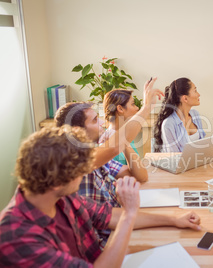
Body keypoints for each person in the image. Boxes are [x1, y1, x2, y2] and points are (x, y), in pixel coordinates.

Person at [0, 126, 201, 267]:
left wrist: (175, 220)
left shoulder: (61, 198)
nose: (86, 174)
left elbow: (110, 216)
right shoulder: (15, 236)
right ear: (59, 183)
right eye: (82, 172)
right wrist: (130, 213)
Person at [54, 78, 157, 246]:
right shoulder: (73, 160)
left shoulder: (95, 152)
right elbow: (113, 149)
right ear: (77, 131)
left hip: (119, 223)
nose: (102, 122)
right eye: (95, 120)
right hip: (105, 242)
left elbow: (140, 175)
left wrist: (125, 145)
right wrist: (147, 107)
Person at [100, 89, 147, 182]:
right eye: (133, 104)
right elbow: (138, 176)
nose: (137, 108)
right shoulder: (107, 142)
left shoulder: (125, 135)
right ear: (120, 109)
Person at [153, 77, 205, 152]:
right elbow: (173, 157)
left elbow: (202, 145)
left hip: (198, 161)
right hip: (178, 163)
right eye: (195, 91)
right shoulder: (168, 124)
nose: (198, 94)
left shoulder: (195, 114)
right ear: (185, 98)